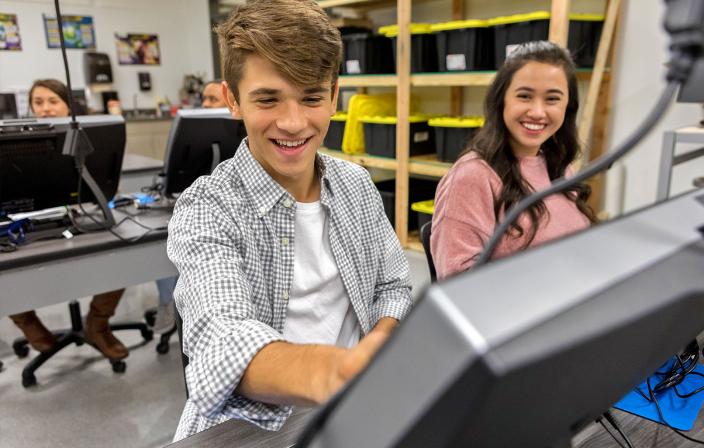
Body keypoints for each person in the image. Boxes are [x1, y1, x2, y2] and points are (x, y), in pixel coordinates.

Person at [167, 0, 412, 440]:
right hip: (251, 430)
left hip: (356, 413)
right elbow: (224, 337)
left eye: (312, 97)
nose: (294, 123)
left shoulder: (355, 185)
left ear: (335, 97)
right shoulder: (206, 207)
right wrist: (342, 372)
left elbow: (392, 287)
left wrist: (378, 346)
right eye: (268, 99)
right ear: (232, 100)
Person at [431, 41, 596, 280]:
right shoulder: (472, 176)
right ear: (502, 100)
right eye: (525, 96)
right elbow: (458, 284)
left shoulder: (558, 164)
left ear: (567, 107)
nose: (538, 112)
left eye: (552, 99)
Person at [8, 79, 130, 361]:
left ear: (67, 105)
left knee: (122, 249)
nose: (46, 109)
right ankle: (27, 321)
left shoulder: (89, 138)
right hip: (29, 224)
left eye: (53, 101)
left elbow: (107, 183)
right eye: (38, 102)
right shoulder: (15, 138)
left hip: (81, 217)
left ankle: (97, 324)